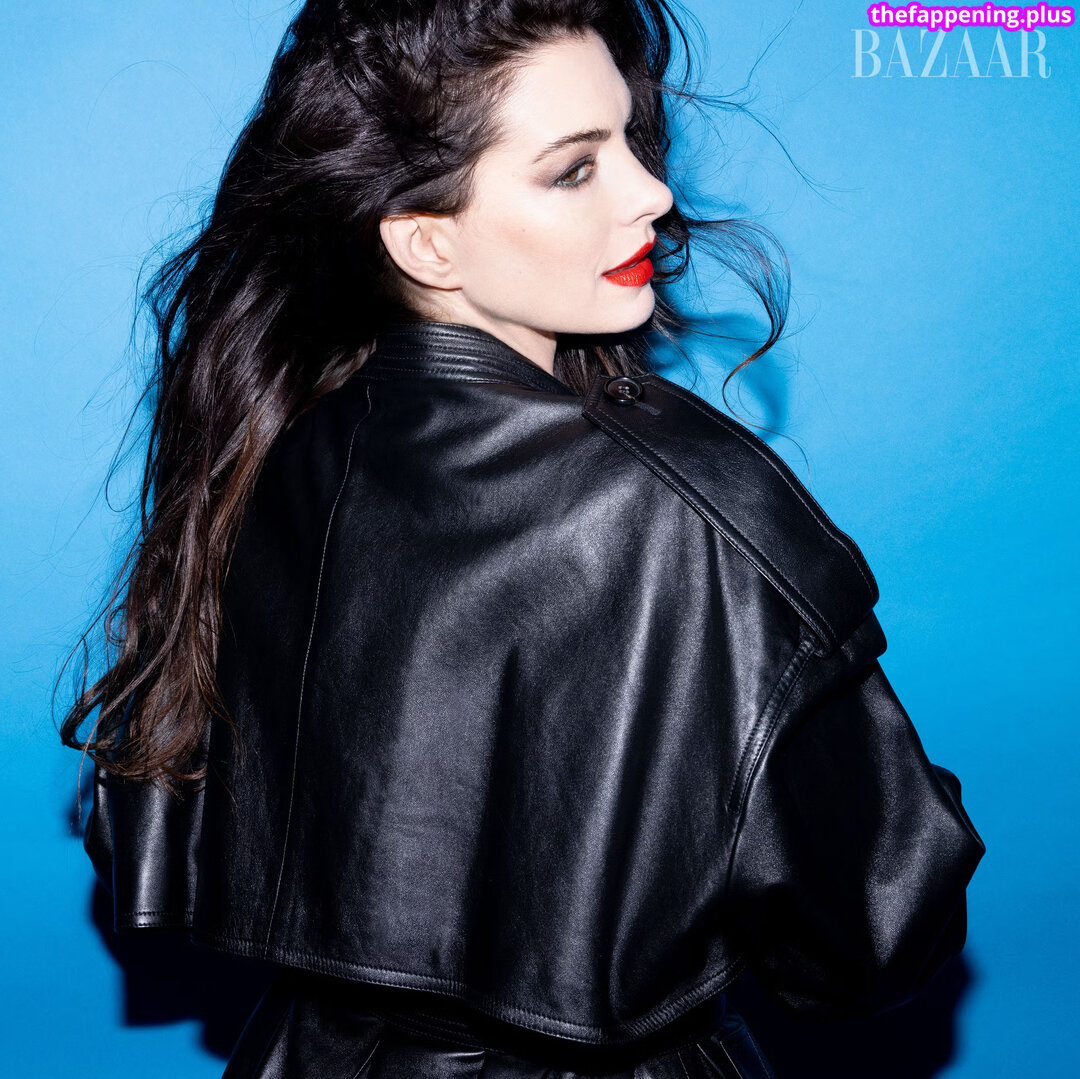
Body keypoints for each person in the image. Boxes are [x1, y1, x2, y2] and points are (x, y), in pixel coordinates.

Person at [60, 2, 985, 1077]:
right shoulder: (690, 509)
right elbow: (879, 933)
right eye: (574, 169)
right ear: (427, 241)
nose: (653, 193)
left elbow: (161, 833)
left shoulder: (267, 454)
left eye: (630, 139)